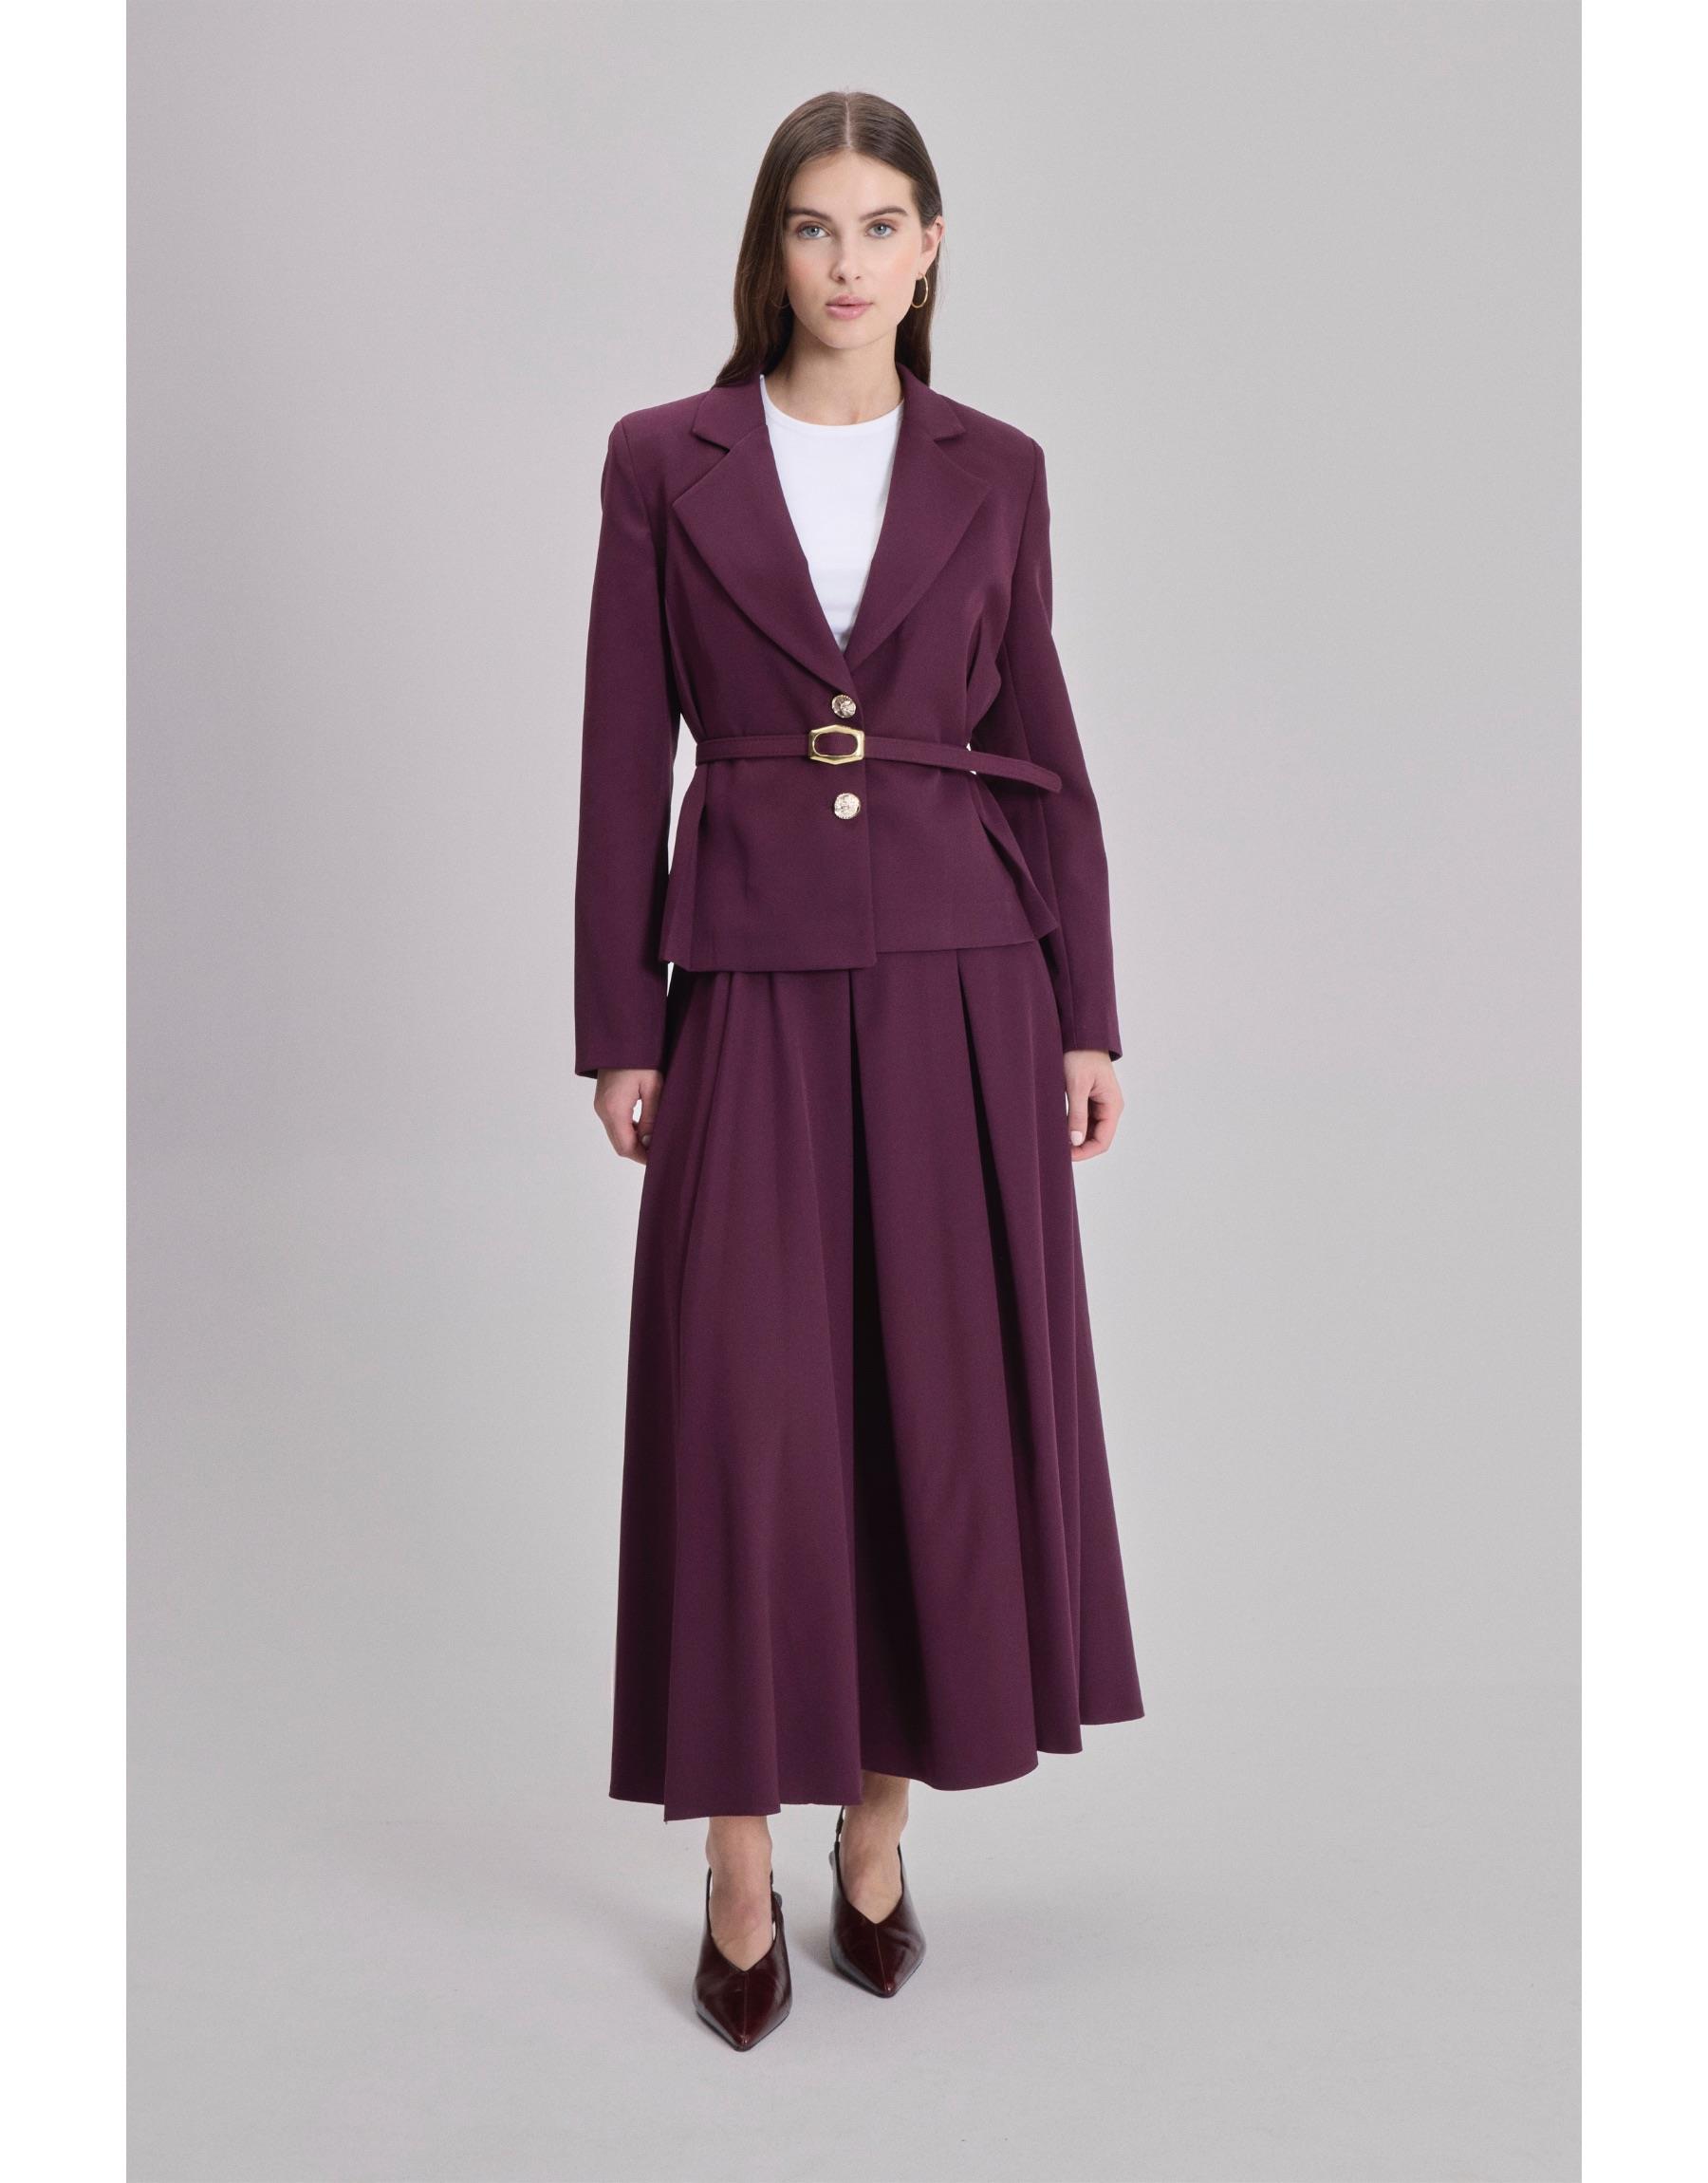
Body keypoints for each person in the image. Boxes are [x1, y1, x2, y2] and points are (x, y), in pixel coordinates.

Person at [574, 88, 1146, 2050]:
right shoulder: (665, 458)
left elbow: (1046, 747)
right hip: (741, 968)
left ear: (931, 249)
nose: (846, 260)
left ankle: (877, 1830)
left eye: (882, 224)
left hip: (965, 975)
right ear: (773, 246)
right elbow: (618, 754)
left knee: (934, 1403)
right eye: (814, 225)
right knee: (745, 1412)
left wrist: (1086, 1008)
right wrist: (619, 1021)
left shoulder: (1000, 469)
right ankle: (737, 1858)